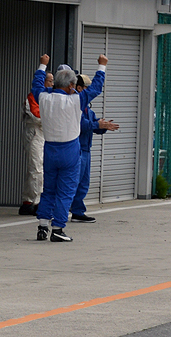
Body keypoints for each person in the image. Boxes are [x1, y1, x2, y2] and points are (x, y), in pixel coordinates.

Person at [32, 54, 108, 242]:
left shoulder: (43, 97)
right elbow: (96, 88)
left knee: (48, 189)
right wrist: (102, 66)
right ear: (71, 86)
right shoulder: (75, 101)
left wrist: (42, 65)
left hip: (49, 148)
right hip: (70, 149)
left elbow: (36, 85)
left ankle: (42, 225)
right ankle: (58, 228)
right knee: (66, 191)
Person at [70, 74, 119, 223]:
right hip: (76, 149)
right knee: (72, 182)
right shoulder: (75, 105)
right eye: (86, 87)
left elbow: (93, 123)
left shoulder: (87, 109)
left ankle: (77, 211)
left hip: (86, 149)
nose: (88, 91)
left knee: (83, 183)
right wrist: (98, 125)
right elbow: (82, 125)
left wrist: (102, 126)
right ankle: (59, 211)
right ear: (79, 88)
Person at [19, 72, 54, 216]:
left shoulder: (48, 96)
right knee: (36, 167)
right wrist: (51, 118)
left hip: (43, 133)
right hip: (34, 133)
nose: (52, 84)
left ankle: (29, 200)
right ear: (44, 81)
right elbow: (36, 115)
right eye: (50, 81)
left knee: (39, 167)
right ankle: (36, 201)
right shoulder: (33, 96)